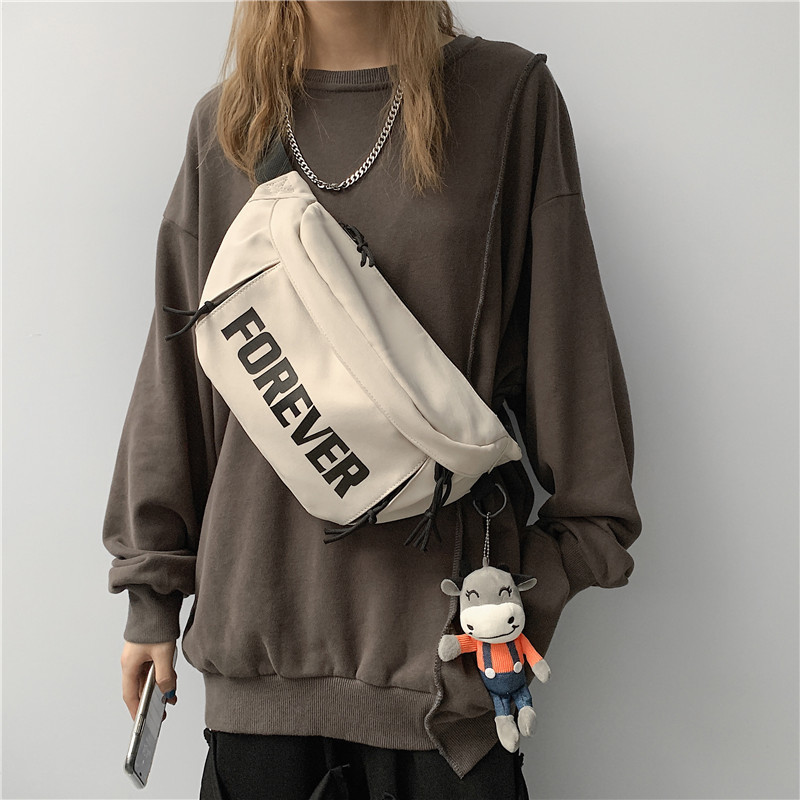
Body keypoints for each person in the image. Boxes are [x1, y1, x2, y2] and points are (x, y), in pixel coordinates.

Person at [102, 1, 643, 798]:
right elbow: (177, 377)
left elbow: (570, 360)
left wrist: (536, 578)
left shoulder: (506, 97)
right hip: (260, 664)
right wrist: (151, 595)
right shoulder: (228, 125)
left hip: (443, 681)